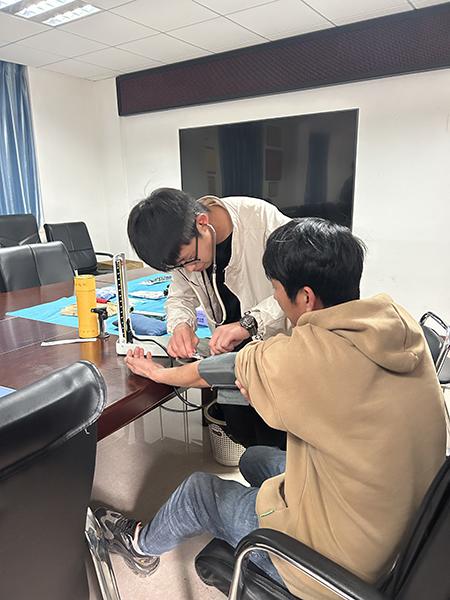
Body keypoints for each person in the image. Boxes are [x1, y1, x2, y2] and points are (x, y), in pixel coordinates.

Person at [97, 218, 446, 599]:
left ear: (306, 297)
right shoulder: (396, 323)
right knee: (256, 459)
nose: (276, 299)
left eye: (276, 289)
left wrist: (157, 373)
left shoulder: (305, 357)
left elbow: (220, 370)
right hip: (399, 523)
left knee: (199, 492)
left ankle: (139, 546)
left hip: (336, 561)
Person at [128, 187, 291, 448]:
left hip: (276, 349)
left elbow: (298, 288)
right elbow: (179, 296)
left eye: (190, 260)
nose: (190, 269)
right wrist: (181, 325)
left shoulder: (262, 221)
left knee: (278, 435)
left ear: (202, 223)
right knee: (243, 431)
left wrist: (249, 323)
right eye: (180, 266)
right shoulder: (183, 247)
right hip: (230, 353)